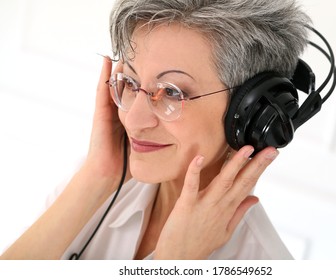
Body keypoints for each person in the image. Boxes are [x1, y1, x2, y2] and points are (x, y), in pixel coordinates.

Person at [1, 0, 311, 259]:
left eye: (173, 92)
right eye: (131, 83)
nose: (133, 120)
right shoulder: (97, 182)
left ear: (252, 113)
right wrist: (96, 177)